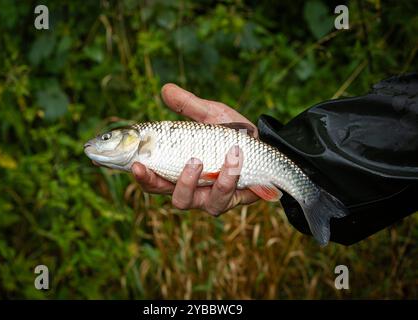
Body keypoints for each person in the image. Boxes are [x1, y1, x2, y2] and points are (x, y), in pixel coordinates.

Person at [131, 74, 418, 245]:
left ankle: (314, 199)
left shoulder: (147, 138)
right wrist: (295, 154)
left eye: (107, 138)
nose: (97, 144)